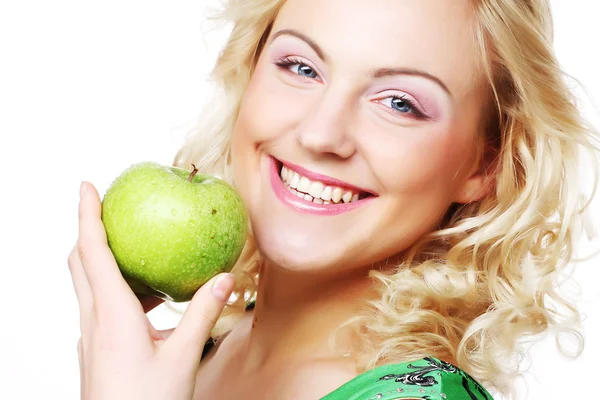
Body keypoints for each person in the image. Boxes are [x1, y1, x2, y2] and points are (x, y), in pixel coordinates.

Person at [68, 0, 599, 398]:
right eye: (301, 67)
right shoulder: (196, 349)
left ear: (487, 165)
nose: (321, 134)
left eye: (399, 102)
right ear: (249, 70)